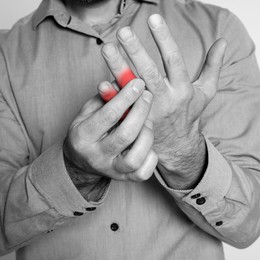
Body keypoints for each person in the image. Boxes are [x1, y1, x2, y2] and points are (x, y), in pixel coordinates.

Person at [0, 0, 260, 259]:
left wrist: (181, 150)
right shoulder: (5, 55)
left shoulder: (216, 28)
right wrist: (73, 170)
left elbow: (249, 224)